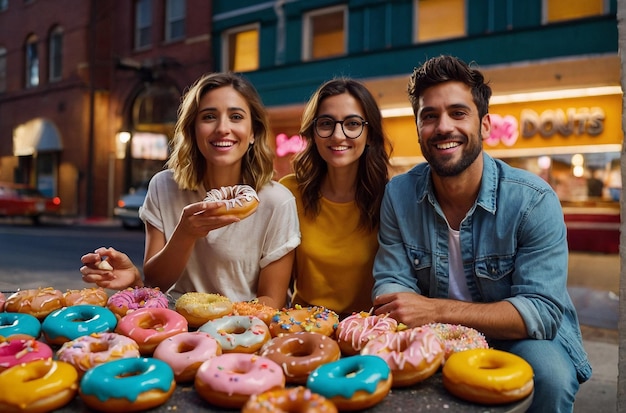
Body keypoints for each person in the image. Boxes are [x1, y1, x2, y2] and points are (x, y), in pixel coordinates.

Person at [371, 55, 591, 412]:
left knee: (552, 377)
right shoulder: (398, 194)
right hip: (434, 333)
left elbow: (541, 312)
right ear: (417, 128)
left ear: (485, 125)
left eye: (458, 113)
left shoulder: (532, 200)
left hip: (517, 338)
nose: (443, 127)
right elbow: (392, 283)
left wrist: (435, 311)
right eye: (429, 116)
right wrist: (417, 317)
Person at [81, 72, 300, 309]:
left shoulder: (277, 201)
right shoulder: (163, 186)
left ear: (253, 132)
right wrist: (185, 232)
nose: (223, 128)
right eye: (209, 117)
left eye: (236, 117)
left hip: (243, 330)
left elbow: (272, 301)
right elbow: (156, 283)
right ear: (193, 130)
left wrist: (212, 318)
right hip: (174, 324)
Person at [279, 78, 392, 317]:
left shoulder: (391, 197)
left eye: (352, 124)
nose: (338, 135)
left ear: (370, 134)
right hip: (304, 326)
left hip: (370, 331)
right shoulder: (288, 192)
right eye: (326, 123)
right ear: (313, 131)